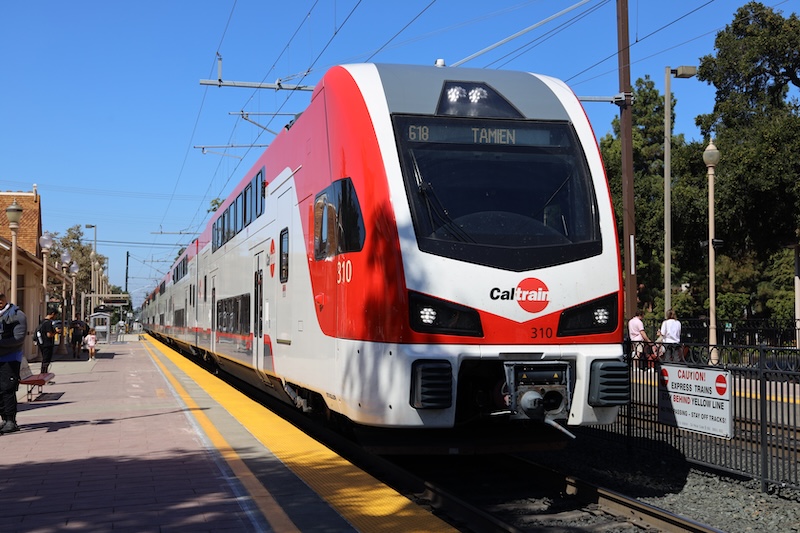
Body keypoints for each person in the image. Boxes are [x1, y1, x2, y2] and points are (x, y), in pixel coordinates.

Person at [0, 293, 28, 434]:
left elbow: (18, 339)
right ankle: (4, 419)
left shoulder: (17, 315)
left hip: (10, 358)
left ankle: (11, 420)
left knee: (7, 389)